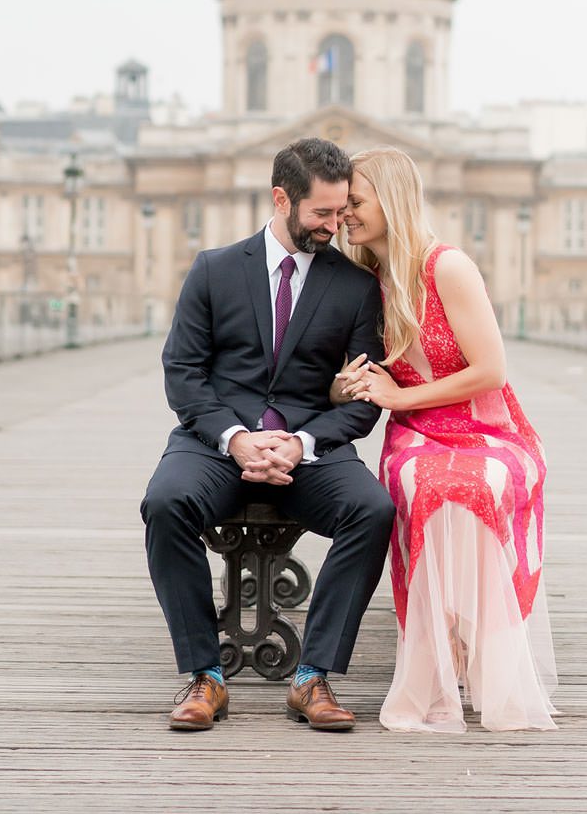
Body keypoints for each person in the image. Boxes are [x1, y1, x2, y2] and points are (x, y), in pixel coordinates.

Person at [141, 138, 395, 733]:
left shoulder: (356, 286)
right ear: (282, 199)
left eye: (342, 212)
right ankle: (205, 674)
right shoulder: (214, 269)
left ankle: (314, 677)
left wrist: (300, 443)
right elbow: (182, 371)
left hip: (311, 449)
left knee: (374, 509)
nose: (337, 225)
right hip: (216, 446)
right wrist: (234, 437)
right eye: (323, 214)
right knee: (165, 502)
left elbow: (364, 394)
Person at [335, 146, 558, 733]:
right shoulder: (362, 283)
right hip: (417, 435)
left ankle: (470, 645)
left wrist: (400, 397)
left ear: (392, 200)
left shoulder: (446, 267)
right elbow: (353, 380)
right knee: (426, 482)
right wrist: (350, 386)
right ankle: (444, 650)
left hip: (488, 428)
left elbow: (491, 371)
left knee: (474, 483)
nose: (344, 216)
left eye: (355, 202)